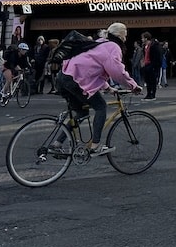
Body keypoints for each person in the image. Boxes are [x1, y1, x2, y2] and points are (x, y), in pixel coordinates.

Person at [60, 22, 141, 156]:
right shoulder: (112, 47)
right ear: (120, 35)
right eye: (125, 36)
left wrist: (108, 88)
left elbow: (92, 70)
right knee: (101, 107)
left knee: (81, 113)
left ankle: (57, 143)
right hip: (75, 80)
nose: (126, 39)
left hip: (65, 77)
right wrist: (133, 85)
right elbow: (117, 71)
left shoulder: (100, 43)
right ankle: (95, 145)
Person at [140, 32, 162, 100]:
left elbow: (156, 57)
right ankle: (148, 94)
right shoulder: (144, 46)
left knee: (152, 80)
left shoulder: (153, 46)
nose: (142, 39)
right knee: (147, 81)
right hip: (146, 65)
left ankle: (153, 94)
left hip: (152, 65)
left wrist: (153, 66)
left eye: (143, 38)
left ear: (146, 38)